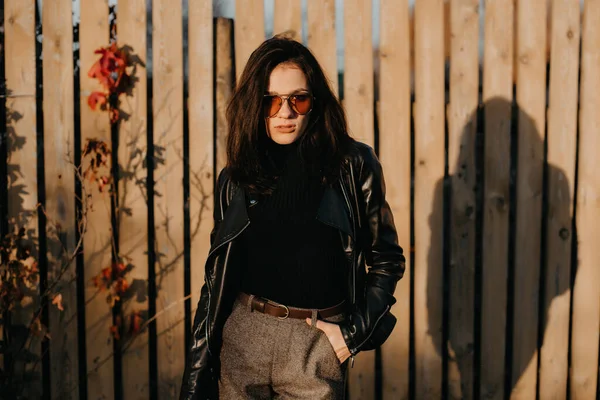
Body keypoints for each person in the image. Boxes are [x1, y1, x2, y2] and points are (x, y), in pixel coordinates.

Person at [180, 36, 405, 400]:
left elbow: (387, 260)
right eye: (271, 101)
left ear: (314, 103)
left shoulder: (353, 165)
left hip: (314, 342)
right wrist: (196, 372)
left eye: (297, 99)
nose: (285, 113)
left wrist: (350, 336)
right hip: (243, 337)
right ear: (255, 105)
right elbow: (217, 279)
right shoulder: (237, 177)